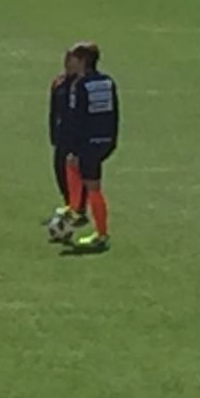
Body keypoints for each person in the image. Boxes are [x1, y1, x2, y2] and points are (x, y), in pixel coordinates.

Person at [58, 42, 119, 252]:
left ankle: (101, 234)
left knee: (93, 186)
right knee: (74, 168)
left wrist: (74, 148)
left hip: (88, 142)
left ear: (82, 61)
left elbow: (76, 118)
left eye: (74, 58)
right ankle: (75, 209)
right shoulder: (107, 82)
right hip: (105, 139)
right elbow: (114, 112)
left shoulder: (80, 85)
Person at [49, 49, 87, 236]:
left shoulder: (82, 83)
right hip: (62, 136)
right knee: (59, 171)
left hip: (77, 136)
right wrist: (53, 134)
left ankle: (79, 208)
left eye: (71, 60)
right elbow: (53, 111)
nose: (67, 63)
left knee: (77, 172)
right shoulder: (58, 82)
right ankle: (69, 204)